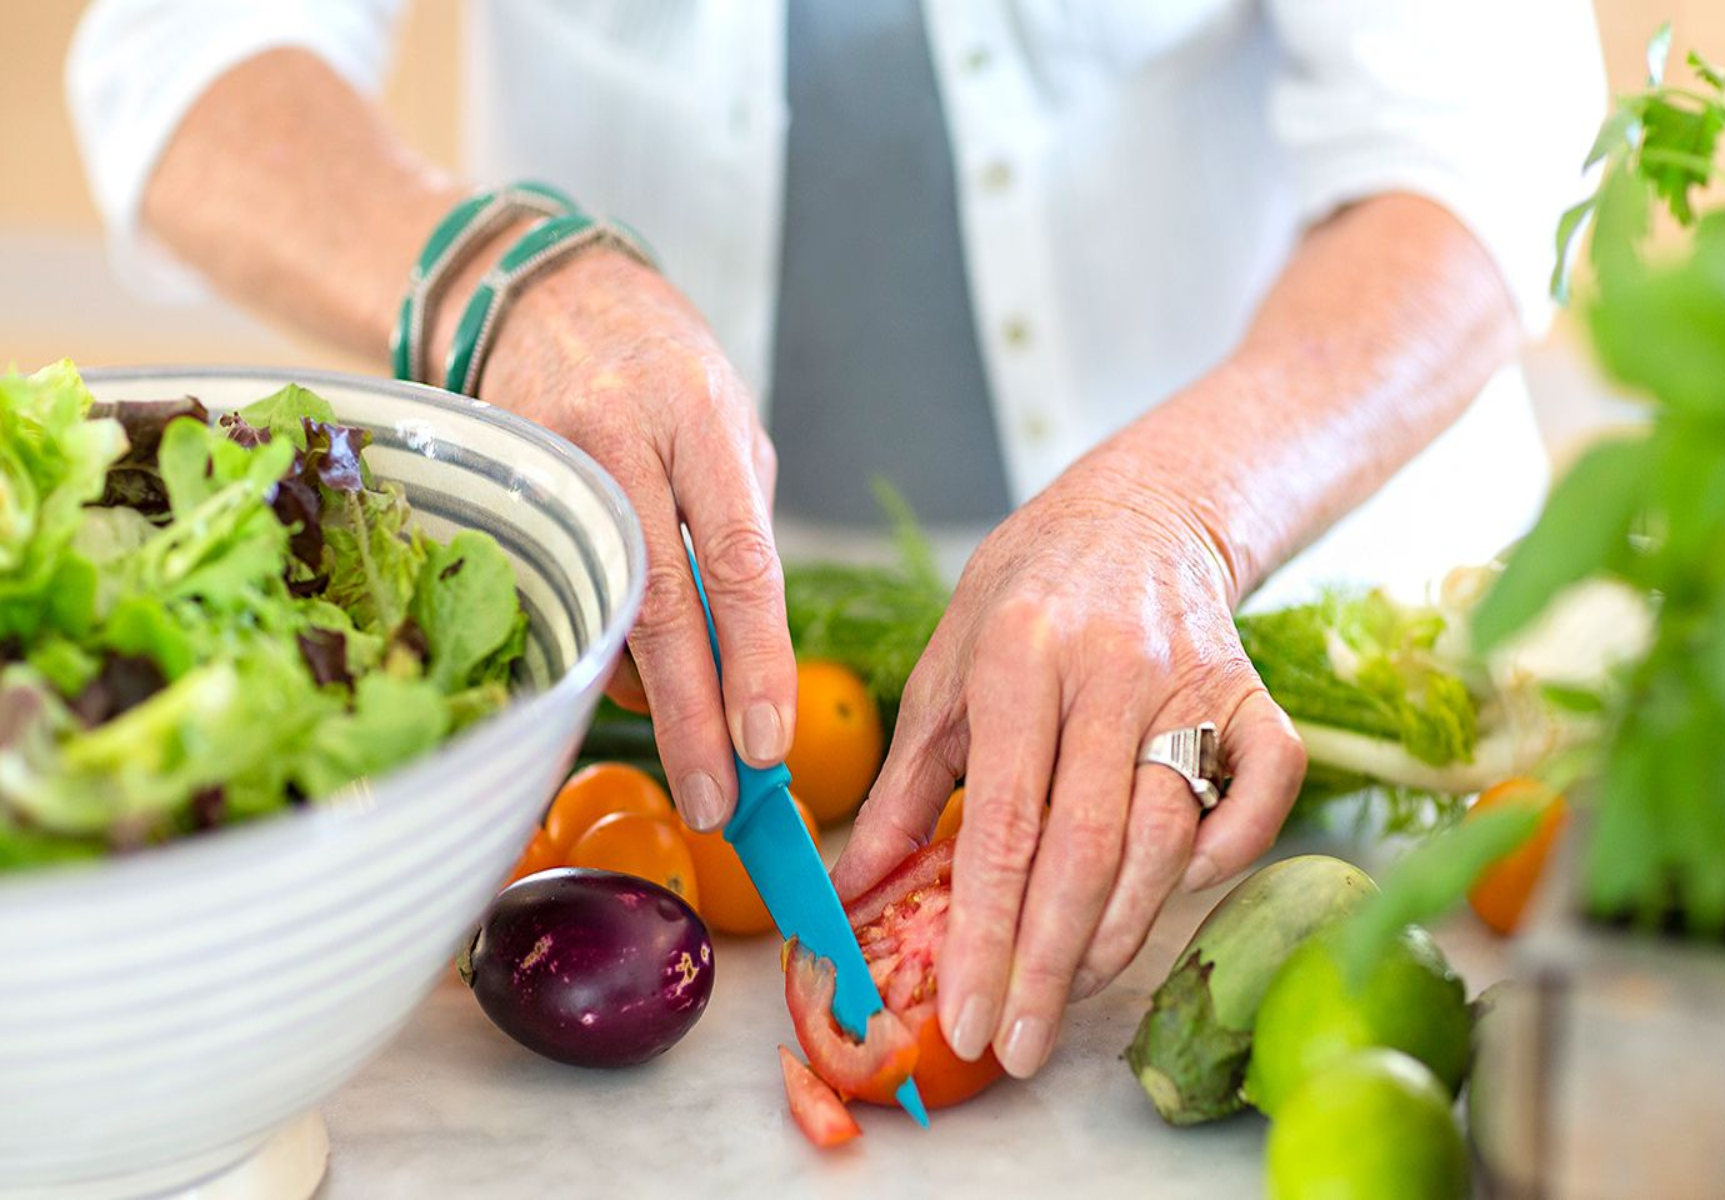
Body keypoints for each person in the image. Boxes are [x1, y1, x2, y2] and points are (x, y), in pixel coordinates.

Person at [68, 0, 1603, 1080]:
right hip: (718, 637)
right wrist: (501, 280)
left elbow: (1482, 152)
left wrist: (1179, 510)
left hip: (1279, 602)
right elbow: (176, 54)